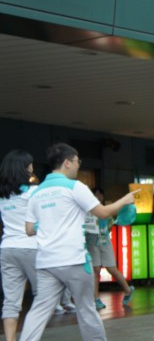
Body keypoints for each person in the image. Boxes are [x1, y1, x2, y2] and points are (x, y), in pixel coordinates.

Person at [20, 142, 139, 341]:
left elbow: (29, 229)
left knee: (39, 310)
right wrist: (124, 200)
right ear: (67, 163)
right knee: (86, 309)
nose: (78, 165)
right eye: (77, 161)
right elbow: (102, 212)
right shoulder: (75, 187)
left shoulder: (37, 192)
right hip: (73, 260)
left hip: (46, 262)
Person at [0, 150, 38, 341]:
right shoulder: (33, 192)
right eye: (30, 164)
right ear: (24, 168)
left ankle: (10, 340)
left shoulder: (3, 195)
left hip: (7, 248)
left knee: (11, 301)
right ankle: (30, 336)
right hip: (31, 247)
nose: (32, 167)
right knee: (44, 297)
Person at [85, 187, 135, 310]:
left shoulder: (107, 207)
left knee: (111, 268)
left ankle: (128, 290)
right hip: (92, 241)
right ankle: (95, 299)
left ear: (102, 196)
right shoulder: (88, 208)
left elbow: (117, 217)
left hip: (105, 242)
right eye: (95, 194)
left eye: (99, 194)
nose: (97, 197)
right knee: (95, 270)